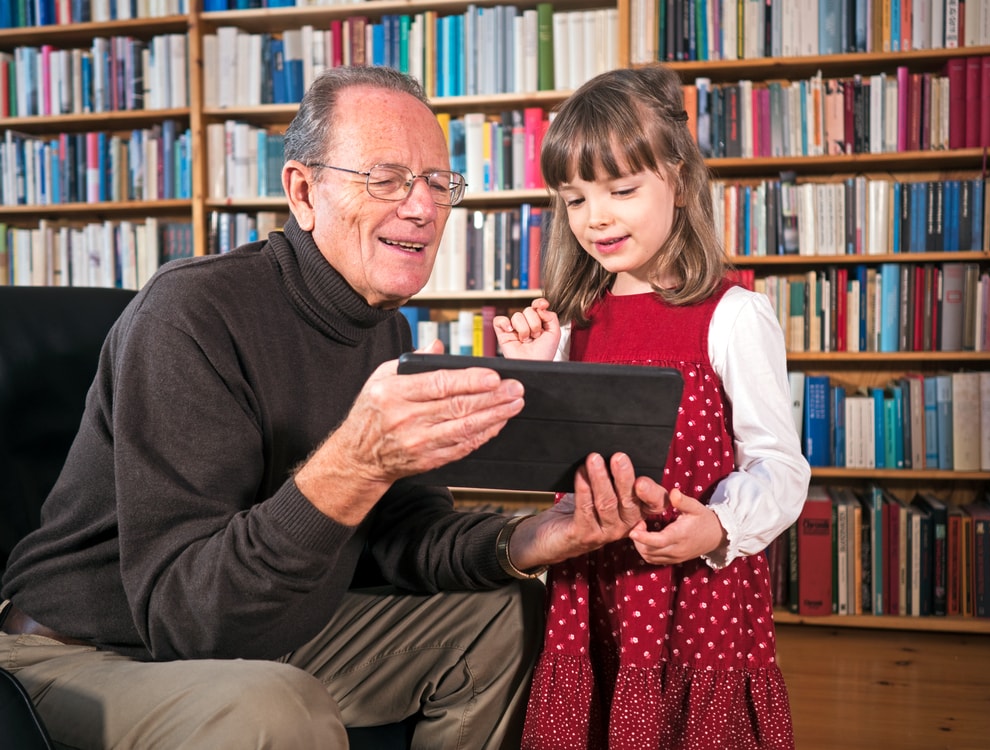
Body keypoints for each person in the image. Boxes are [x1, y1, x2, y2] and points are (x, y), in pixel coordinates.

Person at [0, 65, 664, 750]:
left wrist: (527, 539)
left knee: (509, 611)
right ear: (303, 191)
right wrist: (354, 463)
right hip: (88, 653)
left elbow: (402, 534)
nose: (421, 207)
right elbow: (186, 622)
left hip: (279, 629)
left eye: (439, 183)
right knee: (271, 705)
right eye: (385, 178)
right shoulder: (191, 313)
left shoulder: (384, 327)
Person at [493, 65, 811, 749]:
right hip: (591, 592)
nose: (595, 217)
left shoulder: (732, 316)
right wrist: (533, 368)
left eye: (622, 189)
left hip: (696, 593)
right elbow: (539, 468)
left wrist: (719, 526)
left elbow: (781, 466)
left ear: (679, 179)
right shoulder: (574, 321)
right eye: (574, 199)